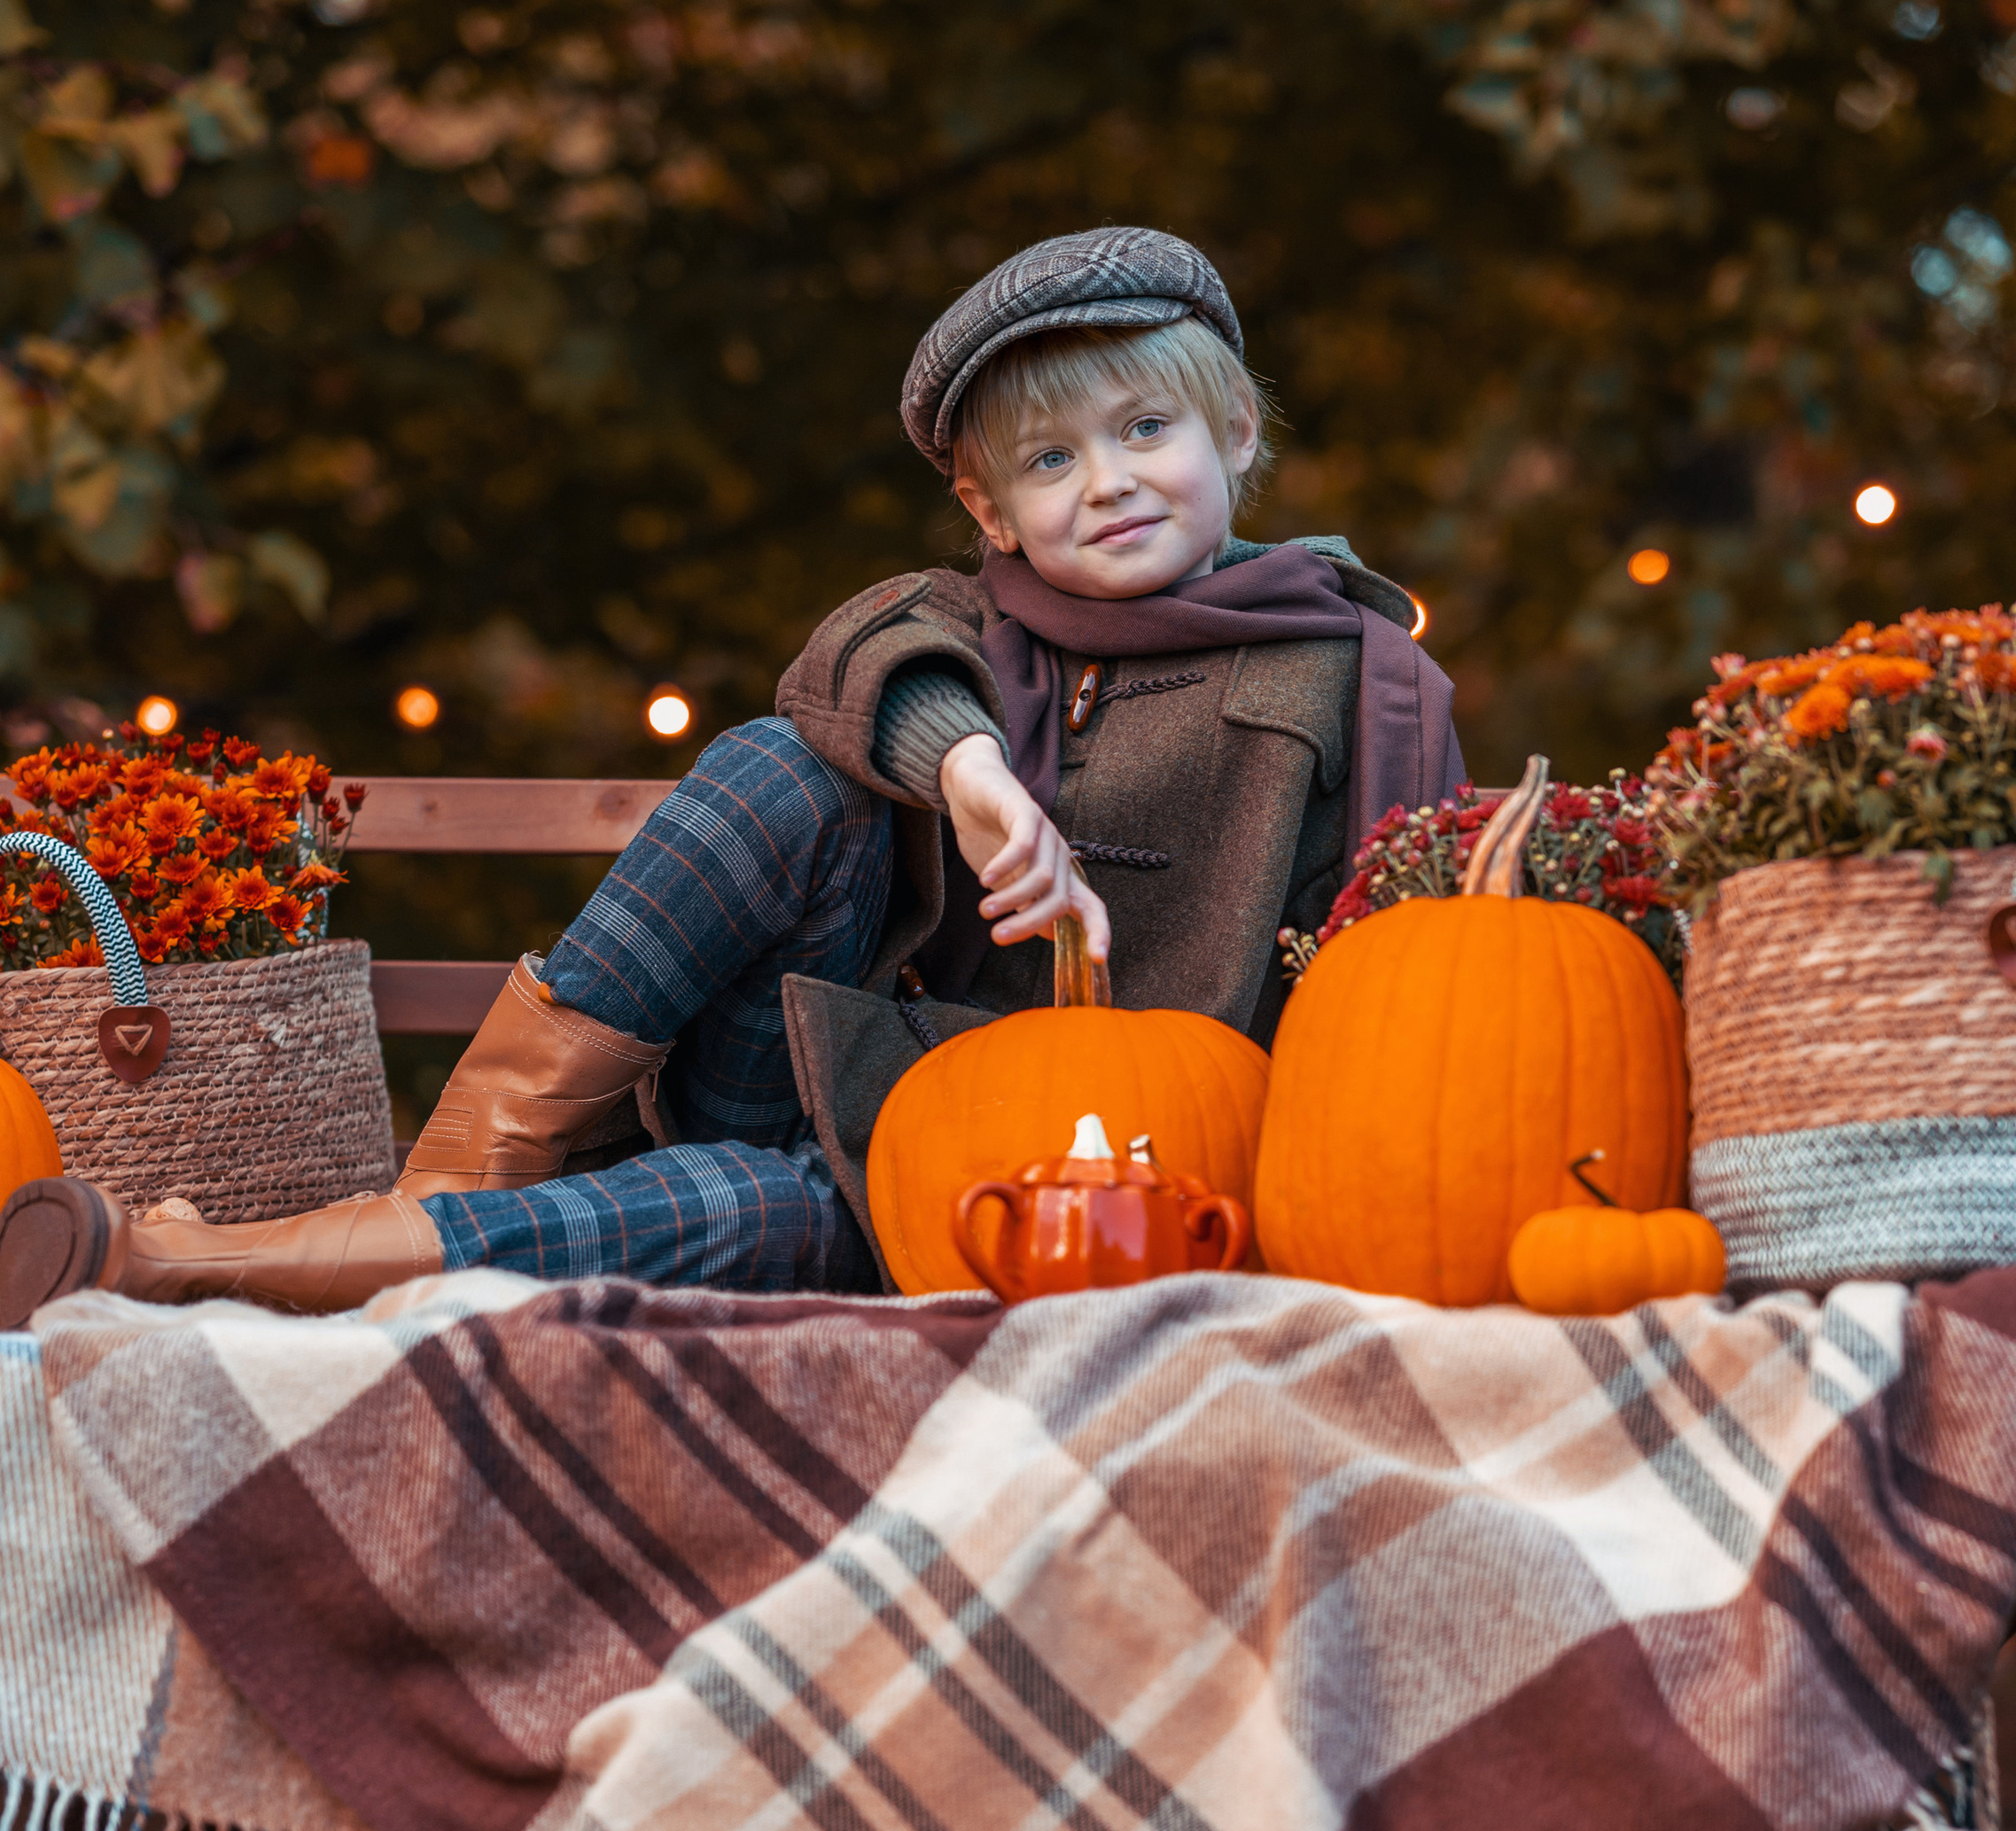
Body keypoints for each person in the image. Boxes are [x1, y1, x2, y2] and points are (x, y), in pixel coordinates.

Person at [0, 226, 1465, 1326]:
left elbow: (1390, 974)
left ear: (1235, 430)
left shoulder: (1350, 676)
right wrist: (969, 771)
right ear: (991, 510)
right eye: (1050, 460)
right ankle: (458, 1166)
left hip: (1013, 1181)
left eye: (1146, 429)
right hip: (835, 1070)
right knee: (789, 760)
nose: (1110, 480)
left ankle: (180, 1263)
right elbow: (850, 663)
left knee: (708, 1210)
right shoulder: (965, 627)